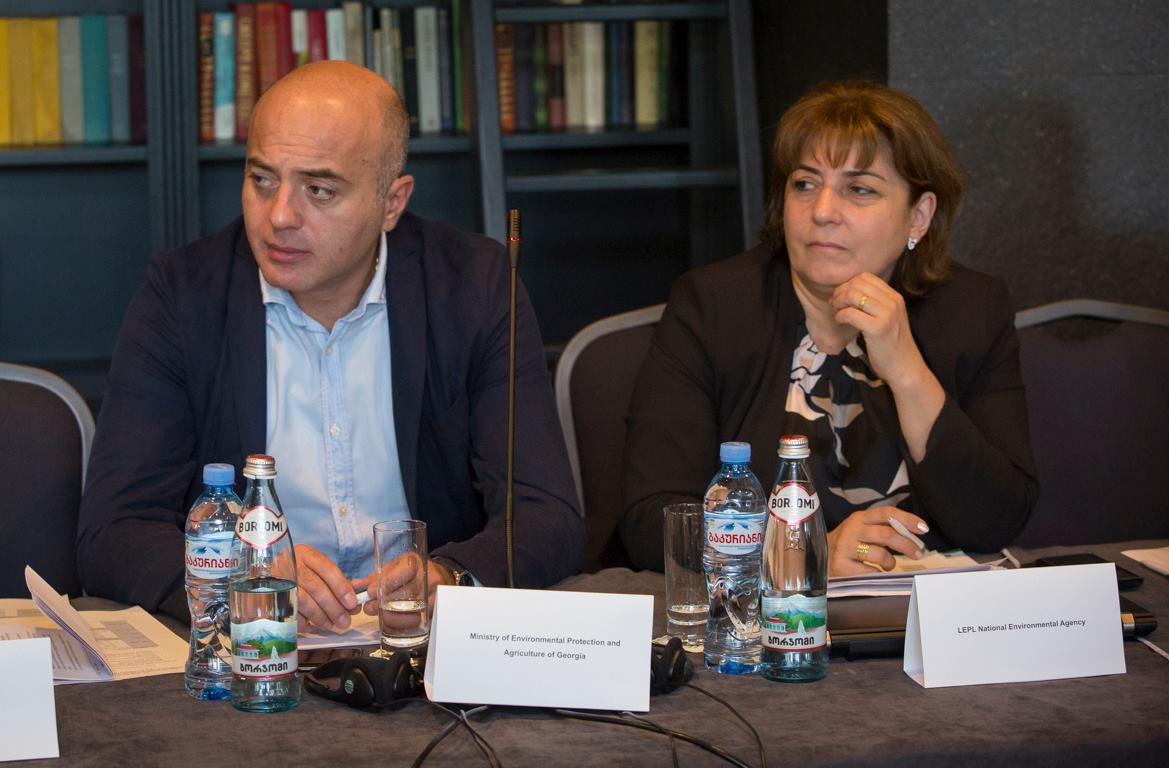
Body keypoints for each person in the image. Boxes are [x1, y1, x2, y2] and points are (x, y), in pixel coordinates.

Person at [77, 61, 583, 630]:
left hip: (418, 639)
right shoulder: (182, 295)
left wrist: (450, 577)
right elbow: (113, 531)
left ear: (392, 203)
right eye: (262, 180)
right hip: (256, 641)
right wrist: (247, 573)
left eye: (319, 190)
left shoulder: (474, 285)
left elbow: (545, 514)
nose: (279, 216)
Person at [621, 81, 1037, 575]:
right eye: (805, 184)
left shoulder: (972, 309)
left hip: (920, 609)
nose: (821, 212)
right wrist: (802, 552)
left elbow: (997, 520)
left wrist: (908, 372)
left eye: (859, 190)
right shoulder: (713, 306)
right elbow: (655, 520)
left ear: (918, 217)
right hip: (765, 610)